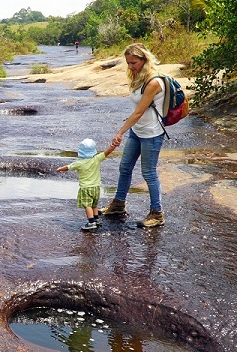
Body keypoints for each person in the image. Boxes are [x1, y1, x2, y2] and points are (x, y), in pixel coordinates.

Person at [100, 43, 166, 228]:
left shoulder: (153, 82)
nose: (131, 66)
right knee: (125, 167)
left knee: (149, 173)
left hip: (152, 133)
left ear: (144, 60)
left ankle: (157, 213)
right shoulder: (139, 77)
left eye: (134, 63)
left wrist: (119, 132)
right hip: (137, 131)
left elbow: (138, 112)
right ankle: (118, 205)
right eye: (128, 63)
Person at [57, 138, 116, 231]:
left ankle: (91, 222)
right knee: (94, 204)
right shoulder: (96, 159)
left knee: (87, 205)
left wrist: (60, 169)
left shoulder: (79, 163)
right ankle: (96, 219)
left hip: (86, 188)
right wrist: (113, 147)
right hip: (96, 187)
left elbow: (68, 167)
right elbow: (106, 153)